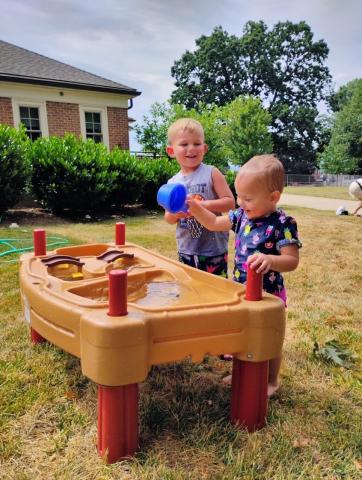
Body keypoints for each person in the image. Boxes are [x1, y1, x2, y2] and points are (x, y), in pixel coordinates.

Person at [187, 154, 302, 396]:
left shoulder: (283, 223)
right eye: (239, 196)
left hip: (268, 294)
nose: (241, 202)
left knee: (269, 339)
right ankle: (241, 371)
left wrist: (270, 260)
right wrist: (196, 208)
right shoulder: (241, 216)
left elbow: (291, 261)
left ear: (274, 197)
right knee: (242, 334)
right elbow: (213, 223)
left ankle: (271, 380)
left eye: (248, 198)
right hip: (241, 289)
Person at [164, 118, 235, 277]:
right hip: (186, 250)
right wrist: (175, 213)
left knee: (217, 290)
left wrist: (202, 206)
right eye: (184, 144)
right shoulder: (172, 182)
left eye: (197, 144)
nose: (191, 149)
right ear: (171, 151)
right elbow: (168, 218)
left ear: (204, 148)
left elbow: (230, 204)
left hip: (214, 250)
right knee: (190, 290)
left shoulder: (211, 172)